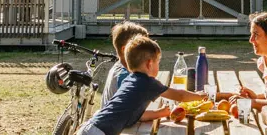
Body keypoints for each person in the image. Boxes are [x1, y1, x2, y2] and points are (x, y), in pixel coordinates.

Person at [75, 35, 203, 135]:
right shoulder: (148, 83)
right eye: (158, 62)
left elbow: (137, 114)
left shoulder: (131, 81)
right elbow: (180, 95)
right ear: (149, 64)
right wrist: (201, 96)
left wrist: (160, 113)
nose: (159, 65)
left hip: (90, 127)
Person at [215, 12, 267, 109]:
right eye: (251, 34)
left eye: (256, 34)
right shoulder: (264, 61)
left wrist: (251, 102)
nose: (251, 40)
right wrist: (255, 97)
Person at [101, 21, 149, 104]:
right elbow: (132, 113)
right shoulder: (124, 76)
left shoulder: (121, 68)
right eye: (142, 47)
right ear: (125, 50)